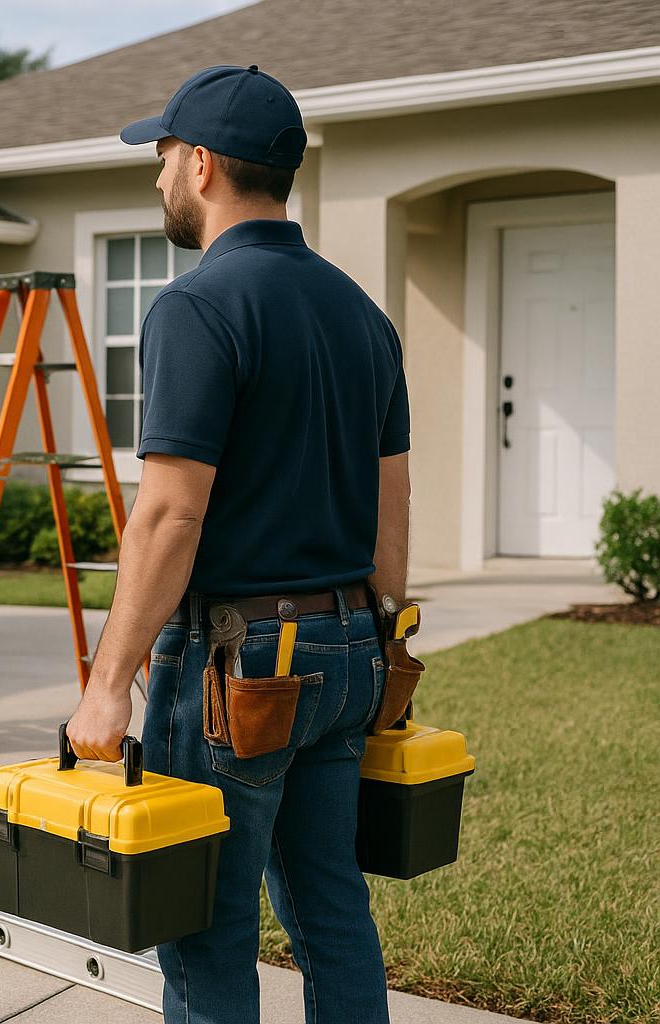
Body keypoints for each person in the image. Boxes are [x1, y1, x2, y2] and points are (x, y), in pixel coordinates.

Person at [65, 66, 410, 1024]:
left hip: (236, 666)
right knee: (333, 910)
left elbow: (170, 515)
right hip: (348, 650)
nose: (159, 174)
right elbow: (394, 502)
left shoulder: (198, 307)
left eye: (165, 154)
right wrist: (385, 643)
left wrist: (104, 688)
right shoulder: (364, 318)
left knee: (209, 929)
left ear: (204, 164)